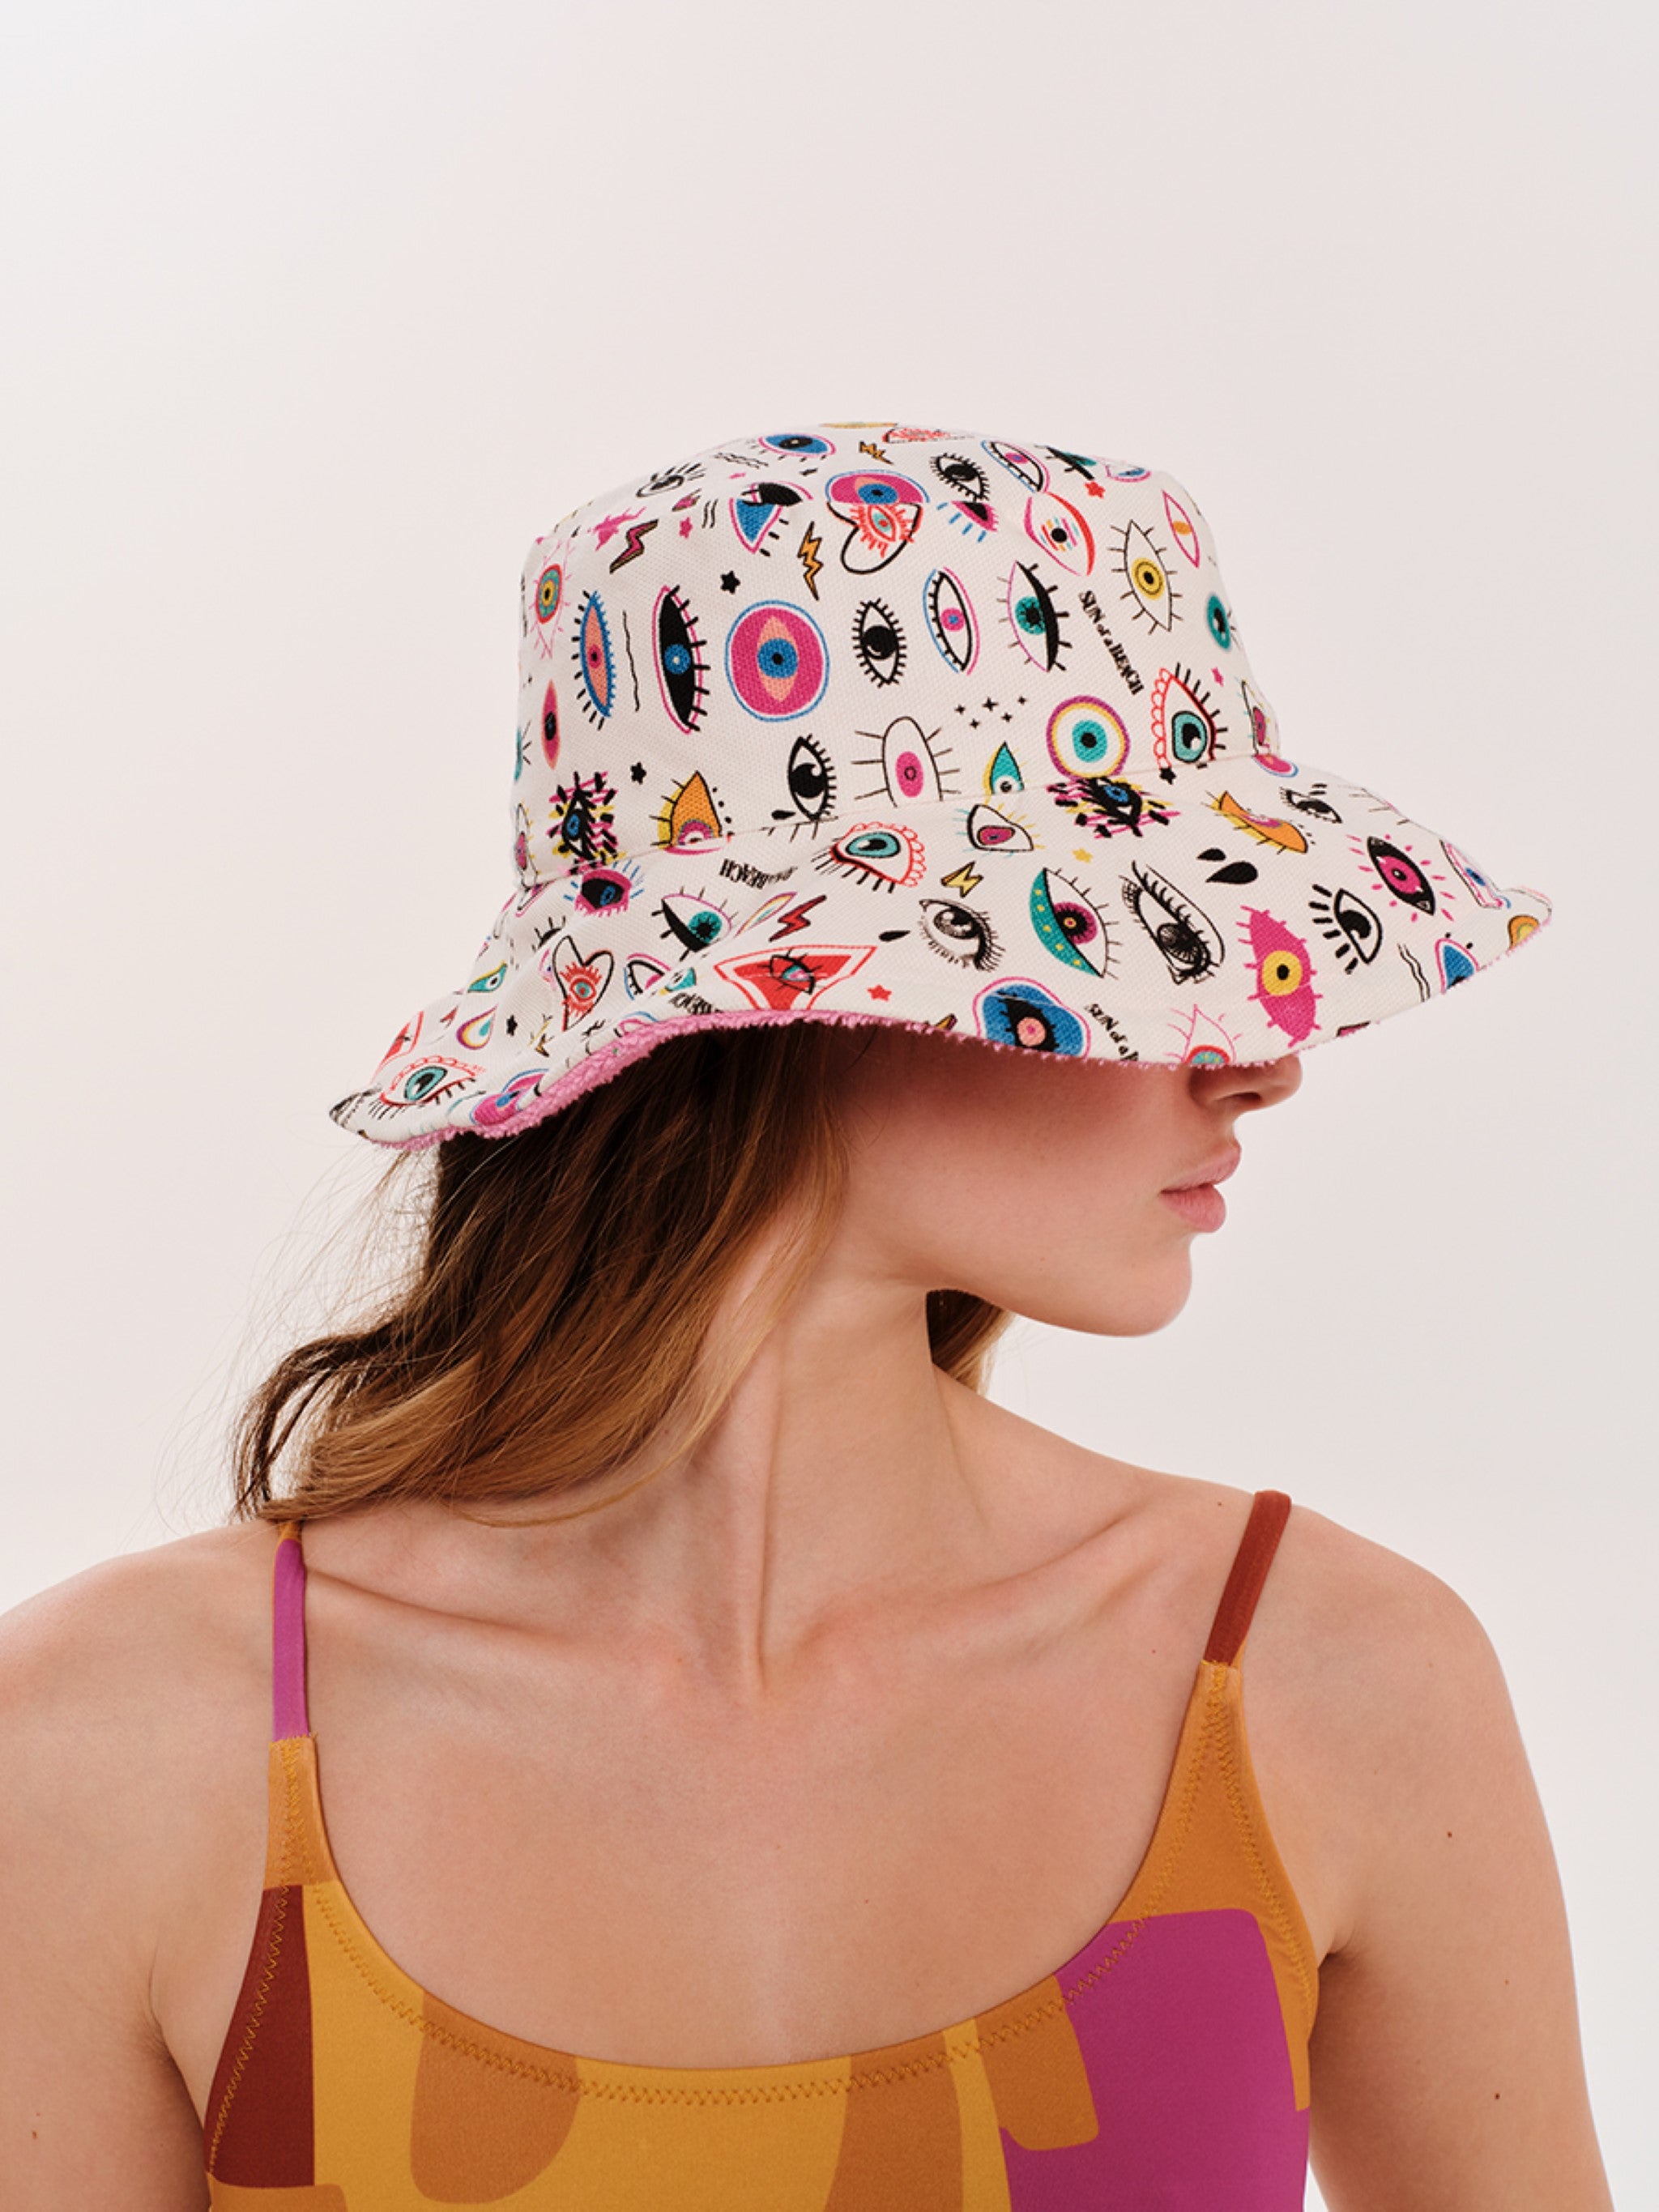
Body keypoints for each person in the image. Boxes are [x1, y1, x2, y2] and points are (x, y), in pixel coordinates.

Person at [0, 424, 1613, 2208]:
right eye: (1132, 947)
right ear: (796, 1002)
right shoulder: (110, 1746)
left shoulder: (1340, 1684)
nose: (1261, 1059)